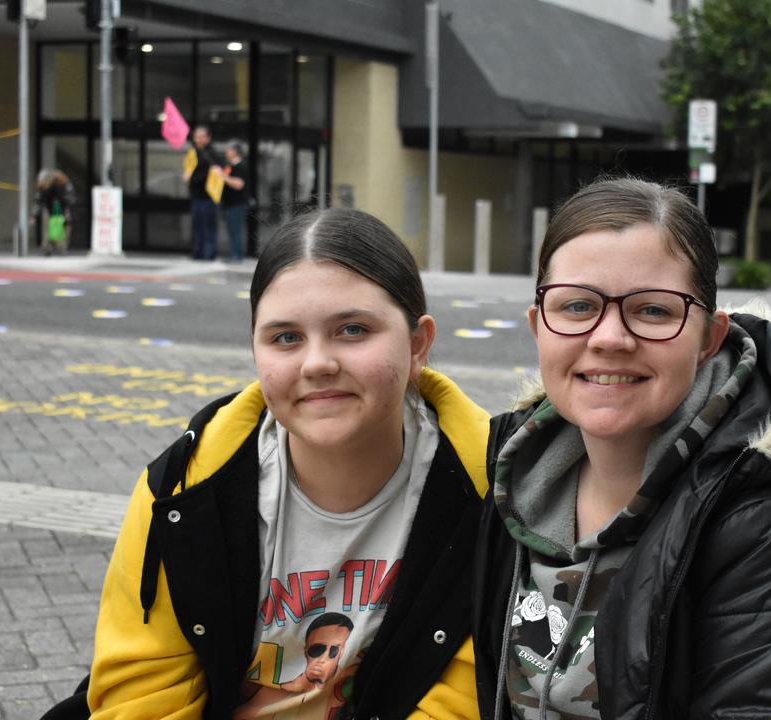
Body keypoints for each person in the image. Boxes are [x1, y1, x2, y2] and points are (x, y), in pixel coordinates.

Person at [473, 178, 771, 719]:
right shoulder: (505, 477)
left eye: (654, 311)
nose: (610, 337)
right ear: (537, 326)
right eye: (577, 306)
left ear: (709, 336)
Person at [42, 208, 490, 720]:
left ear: (417, 345)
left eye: (352, 329)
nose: (317, 362)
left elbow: (463, 700)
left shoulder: (491, 498)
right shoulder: (182, 494)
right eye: (285, 338)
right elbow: (143, 696)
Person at [183, 125, 221, 260]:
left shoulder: (213, 154)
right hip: (196, 196)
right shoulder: (192, 153)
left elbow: (217, 173)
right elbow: (188, 173)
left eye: (201, 136)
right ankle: (197, 253)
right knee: (197, 226)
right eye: (196, 136)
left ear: (208, 138)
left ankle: (210, 254)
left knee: (210, 226)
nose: (198, 139)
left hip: (210, 196)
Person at [33, 169, 75, 255]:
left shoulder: (63, 182)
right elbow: (39, 200)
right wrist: (34, 214)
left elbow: (70, 197)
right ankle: (47, 247)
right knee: (48, 226)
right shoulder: (42, 187)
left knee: (64, 227)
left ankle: (61, 247)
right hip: (50, 209)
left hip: (63, 208)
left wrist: (68, 209)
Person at [221, 142, 250, 263]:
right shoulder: (229, 167)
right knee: (231, 229)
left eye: (229, 150)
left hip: (237, 204)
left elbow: (239, 184)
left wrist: (223, 177)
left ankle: (237, 255)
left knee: (236, 229)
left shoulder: (241, 166)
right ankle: (234, 253)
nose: (227, 152)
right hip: (229, 203)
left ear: (235, 152)